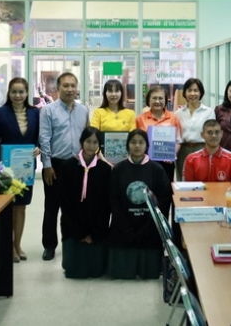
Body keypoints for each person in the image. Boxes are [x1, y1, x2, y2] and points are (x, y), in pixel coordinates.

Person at [0, 77, 41, 263]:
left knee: (21, 207)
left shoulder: (35, 113)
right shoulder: (0, 113)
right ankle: (8, 246)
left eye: (21, 92)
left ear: (27, 93)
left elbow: (39, 137)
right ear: (8, 93)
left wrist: (38, 147)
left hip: (26, 168)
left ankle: (18, 244)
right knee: (9, 207)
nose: (17, 95)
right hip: (6, 169)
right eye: (14, 92)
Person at [39, 71, 89, 261]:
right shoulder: (48, 110)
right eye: (65, 86)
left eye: (72, 86)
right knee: (52, 206)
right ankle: (49, 245)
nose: (69, 89)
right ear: (58, 88)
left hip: (77, 165)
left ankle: (73, 241)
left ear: (77, 88)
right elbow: (44, 139)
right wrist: (47, 165)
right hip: (56, 165)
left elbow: (87, 138)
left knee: (75, 206)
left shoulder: (83, 110)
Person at [108, 129, 171, 279]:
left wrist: (149, 225)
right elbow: (113, 200)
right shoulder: (118, 169)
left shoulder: (157, 169)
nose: (137, 146)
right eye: (133, 142)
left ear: (147, 145)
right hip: (123, 226)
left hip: (150, 226)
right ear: (127, 145)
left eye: (141, 142)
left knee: (149, 269)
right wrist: (125, 226)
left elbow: (164, 199)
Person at [59, 127, 112, 278]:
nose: (91, 145)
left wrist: (94, 233)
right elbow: (65, 202)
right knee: (75, 271)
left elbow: (106, 205)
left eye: (95, 142)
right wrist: (79, 232)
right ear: (82, 142)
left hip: (96, 226)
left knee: (96, 271)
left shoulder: (105, 169)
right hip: (73, 225)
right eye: (88, 141)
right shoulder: (69, 166)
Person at [136, 85, 182, 181]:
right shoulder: (140, 119)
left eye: (161, 98)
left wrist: (172, 155)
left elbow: (178, 140)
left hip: (167, 162)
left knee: (166, 188)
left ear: (165, 100)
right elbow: (137, 141)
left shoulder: (173, 118)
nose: (157, 101)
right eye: (154, 98)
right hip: (146, 162)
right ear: (148, 100)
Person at [175, 78, 215, 182]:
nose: (192, 93)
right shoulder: (178, 113)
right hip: (183, 150)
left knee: (203, 180)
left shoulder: (209, 112)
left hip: (202, 149)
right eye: (189, 90)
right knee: (183, 181)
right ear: (185, 93)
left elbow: (212, 134)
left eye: (196, 90)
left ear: (201, 93)